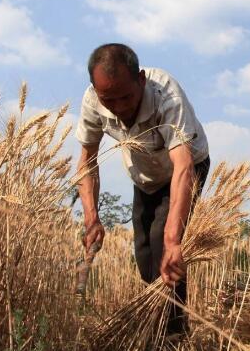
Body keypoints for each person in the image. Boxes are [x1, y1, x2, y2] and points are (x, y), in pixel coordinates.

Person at [74, 43, 210, 336]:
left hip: (185, 170)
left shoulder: (167, 96)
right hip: (145, 176)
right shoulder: (92, 101)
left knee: (165, 248)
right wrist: (91, 219)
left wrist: (175, 241)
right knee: (145, 254)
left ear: (141, 79)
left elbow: (183, 166)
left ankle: (173, 338)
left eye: (126, 97)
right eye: (109, 100)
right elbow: (87, 161)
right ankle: (156, 325)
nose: (120, 107)